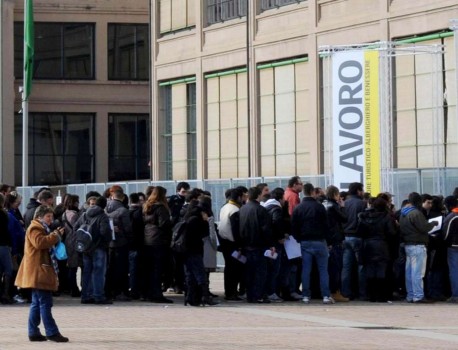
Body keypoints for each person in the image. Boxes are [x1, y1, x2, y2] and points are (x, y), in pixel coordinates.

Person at [15, 205, 69, 342]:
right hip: (39, 271)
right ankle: (52, 332)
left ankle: (33, 332)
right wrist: (55, 236)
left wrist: (54, 235)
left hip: (39, 270)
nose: (51, 219)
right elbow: (40, 243)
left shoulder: (42, 227)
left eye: (52, 216)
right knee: (45, 303)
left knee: (37, 303)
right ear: (39, 216)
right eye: (48, 216)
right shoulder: (35, 227)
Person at [292, 183, 334, 305]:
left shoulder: (298, 208)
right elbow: (327, 226)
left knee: (306, 269)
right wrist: (329, 241)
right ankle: (326, 295)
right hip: (320, 241)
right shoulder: (320, 207)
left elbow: (294, 226)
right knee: (323, 270)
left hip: (305, 242)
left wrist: (299, 238)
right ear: (312, 192)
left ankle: (305, 295)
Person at [399, 192, 438, 303]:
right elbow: (424, 227)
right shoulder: (416, 213)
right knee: (418, 273)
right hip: (418, 245)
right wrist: (433, 224)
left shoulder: (403, 213)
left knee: (409, 272)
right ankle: (418, 296)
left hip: (408, 244)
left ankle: (410, 295)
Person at [357, 197, 396, 302]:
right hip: (382, 246)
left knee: (369, 270)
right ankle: (381, 295)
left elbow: (360, 232)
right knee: (381, 270)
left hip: (368, 246)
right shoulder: (386, 217)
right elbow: (391, 233)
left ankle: (371, 295)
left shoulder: (364, 216)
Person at [239, 187, 274, 303]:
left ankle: (250, 295)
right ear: (259, 195)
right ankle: (258, 295)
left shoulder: (243, 209)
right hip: (259, 246)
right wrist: (270, 244)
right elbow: (266, 229)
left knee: (249, 272)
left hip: (246, 245)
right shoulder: (261, 210)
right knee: (260, 272)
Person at [77, 196, 112, 305]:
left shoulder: (84, 214)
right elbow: (104, 232)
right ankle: (98, 296)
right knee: (99, 272)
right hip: (98, 247)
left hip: (86, 247)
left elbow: (76, 227)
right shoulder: (103, 216)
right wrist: (107, 240)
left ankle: (85, 296)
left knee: (87, 271)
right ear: (104, 205)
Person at [182, 199, 217, 306]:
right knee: (200, 274)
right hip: (195, 250)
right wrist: (207, 222)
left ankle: (190, 297)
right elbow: (205, 234)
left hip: (185, 250)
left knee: (190, 274)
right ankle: (204, 296)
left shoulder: (188, 218)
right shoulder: (198, 220)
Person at [142, 186, 173, 303]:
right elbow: (164, 224)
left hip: (148, 238)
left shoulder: (146, 207)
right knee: (158, 269)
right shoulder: (161, 208)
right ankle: (157, 294)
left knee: (149, 268)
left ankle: (149, 293)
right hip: (159, 240)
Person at [341, 182, 367, 300]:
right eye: (362, 190)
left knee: (346, 267)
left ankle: (345, 292)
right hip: (358, 237)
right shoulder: (362, 203)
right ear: (358, 191)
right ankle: (362, 293)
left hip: (346, 237)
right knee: (360, 266)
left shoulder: (344, 204)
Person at [322, 185, 348, 302]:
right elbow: (344, 219)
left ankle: (328, 291)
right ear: (335, 194)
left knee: (327, 268)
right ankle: (335, 291)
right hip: (335, 239)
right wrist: (342, 207)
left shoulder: (323, 204)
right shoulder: (333, 206)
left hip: (326, 240)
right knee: (336, 267)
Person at [218, 188, 244, 301]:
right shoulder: (234, 210)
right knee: (234, 269)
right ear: (238, 197)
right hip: (232, 243)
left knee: (229, 269)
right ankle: (232, 293)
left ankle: (229, 291)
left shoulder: (224, 207)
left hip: (224, 241)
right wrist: (239, 245)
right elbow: (235, 229)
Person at [439, 195, 458, 303]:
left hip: (453, 246)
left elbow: (445, 234)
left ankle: (456, 295)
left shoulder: (452, 216)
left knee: (454, 270)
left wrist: (445, 242)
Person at [0, 193, 14, 304]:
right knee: (8, 269)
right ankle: (5, 294)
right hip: (3, 244)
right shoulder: (3, 214)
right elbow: (6, 231)